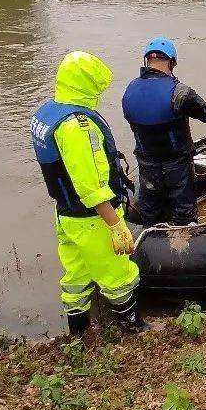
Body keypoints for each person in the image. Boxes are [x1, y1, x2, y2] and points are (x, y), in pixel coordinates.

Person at [31, 51, 145, 335]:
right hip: (92, 218)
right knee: (117, 274)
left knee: (76, 277)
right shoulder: (76, 126)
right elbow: (90, 185)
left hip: (65, 215)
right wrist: (116, 225)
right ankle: (132, 329)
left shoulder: (47, 113)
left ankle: (79, 332)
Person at [122, 38, 206, 227]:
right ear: (172, 61)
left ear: (146, 61)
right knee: (184, 211)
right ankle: (184, 237)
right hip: (176, 163)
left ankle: (149, 234)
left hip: (146, 163)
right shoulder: (180, 92)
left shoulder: (130, 89)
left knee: (150, 207)